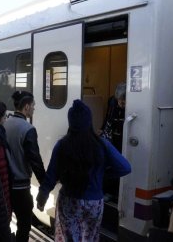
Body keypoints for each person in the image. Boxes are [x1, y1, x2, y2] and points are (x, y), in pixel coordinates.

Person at [36, 99, 131, 242]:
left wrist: (42, 198)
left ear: (71, 122)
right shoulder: (101, 144)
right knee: (90, 238)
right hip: (94, 203)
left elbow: (51, 176)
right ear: (89, 121)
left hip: (69, 201)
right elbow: (125, 167)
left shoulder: (62, 145)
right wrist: (102, 174)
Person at [3, 91, 46, 242]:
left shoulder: (4, 124)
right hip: (21, 188)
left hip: (5, 185)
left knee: (4, 222)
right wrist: (45, 185)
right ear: (26, 107)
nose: (34, 108)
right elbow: (35, 161)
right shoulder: (28, 129)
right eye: (33, 105)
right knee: (24, 225)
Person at [101, 82, 126, 151]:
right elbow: (108, 117)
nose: (122, 104)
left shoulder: (130, 105)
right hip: (113, 133)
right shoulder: (112, 101)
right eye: (120, 100)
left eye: (124, 101)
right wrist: (102, 129)